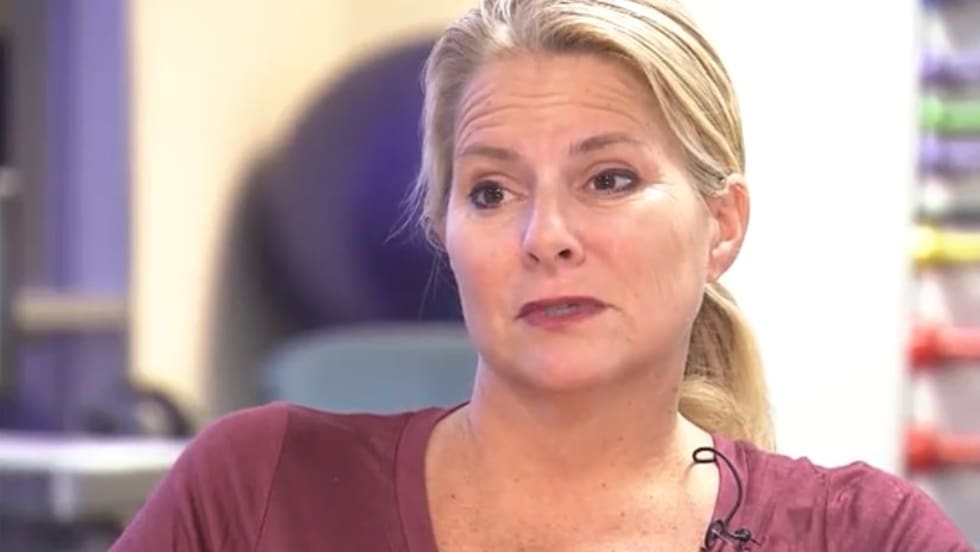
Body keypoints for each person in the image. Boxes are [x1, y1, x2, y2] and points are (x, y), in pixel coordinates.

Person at [110, 0, 974, 550]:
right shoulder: (257, 491)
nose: (545, 236)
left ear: (722, 226)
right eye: (492, 191)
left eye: (609, 180)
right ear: (445, 235)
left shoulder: (864, 536)